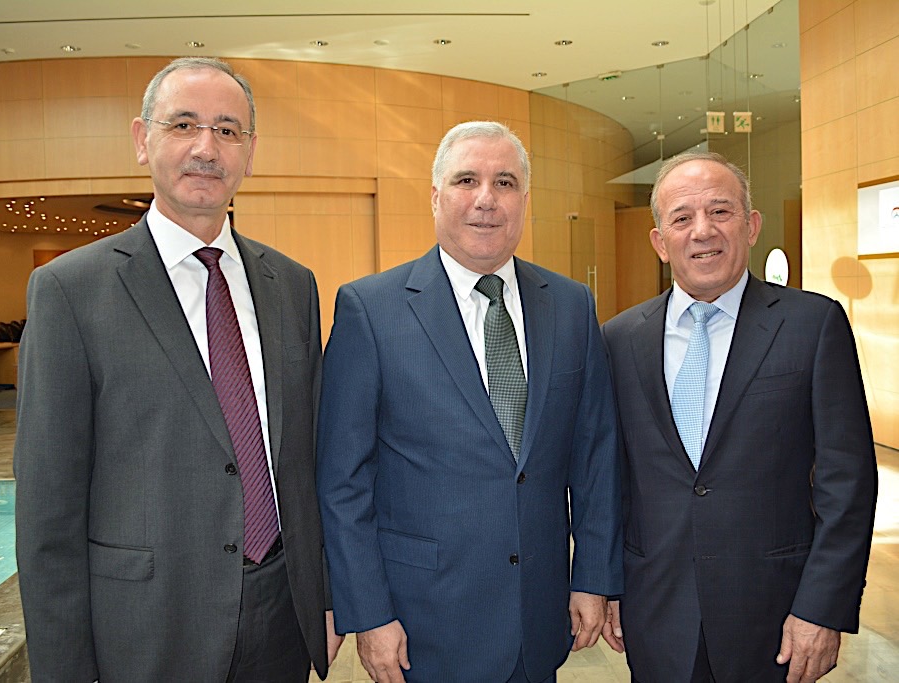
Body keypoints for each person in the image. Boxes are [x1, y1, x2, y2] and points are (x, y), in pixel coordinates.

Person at [14, 57, 341, 682]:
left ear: (250, 152)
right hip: (146, 627)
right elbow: (48, 510)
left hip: (281, 615)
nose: (206, 148)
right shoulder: (70, 290)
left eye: (228, 130)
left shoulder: (291, 285)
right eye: (184, 124)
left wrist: (324, 594)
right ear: (143, 140)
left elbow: (309, 461)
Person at [315, 121, 623, 683]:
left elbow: (596, 457)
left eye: (505, 182)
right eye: (466, 180)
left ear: (524, 199)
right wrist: (369, 613)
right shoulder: (371, 310)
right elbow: (342, 479)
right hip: (422, 622)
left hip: (538, 615)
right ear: (435, 196)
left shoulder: (572, 306)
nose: (486, 199)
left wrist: (593, 577)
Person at [601, 151, 878, 682]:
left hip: (775, 620)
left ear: (751, 226)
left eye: (720, 211)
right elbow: (611, 482)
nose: (702, 231)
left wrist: (823, 608)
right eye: (682, 218)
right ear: (660, 242)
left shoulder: (812, 325)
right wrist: (606, 583)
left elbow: (848, 483)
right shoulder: (618, 339)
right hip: (656, 613)